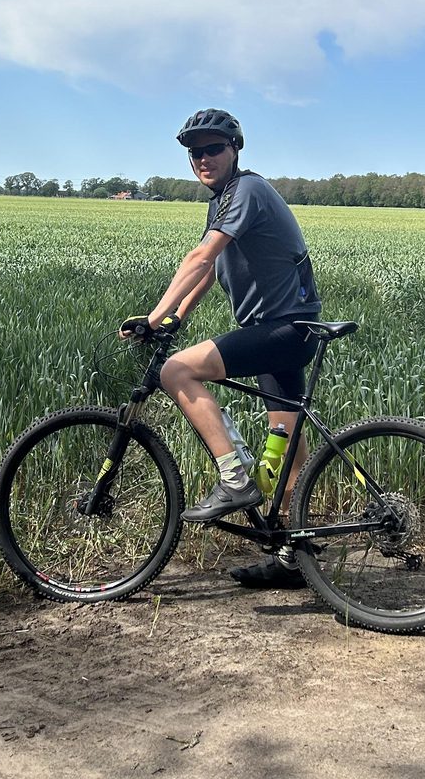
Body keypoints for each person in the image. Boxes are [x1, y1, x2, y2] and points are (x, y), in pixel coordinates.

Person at [120, 108, 322, 589]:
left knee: (176, 372)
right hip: (285, 333)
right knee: (287, 453)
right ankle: (292, 561)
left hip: (283, 329)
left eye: (214, 148)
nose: (204, 158)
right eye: (195, 153)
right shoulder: (226, 201)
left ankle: (233, 475)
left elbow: (200, 257)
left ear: (235, 149)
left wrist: (152, 316)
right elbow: (211, 272)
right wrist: (174, 319)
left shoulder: (247, 190)